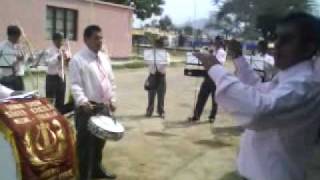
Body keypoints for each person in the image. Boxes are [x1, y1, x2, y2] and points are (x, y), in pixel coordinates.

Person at [194, 12, 320, 180]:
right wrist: (238, 58)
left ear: (309, 47)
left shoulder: (305, 84)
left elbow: (258, 110)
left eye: (287, 40)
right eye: (277, 38)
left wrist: (215, 69)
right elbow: (258, 89)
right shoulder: (291, 77)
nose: (277, 46)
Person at [69, 25, 116, 179]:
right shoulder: (78, 59)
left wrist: (112, 99)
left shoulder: (104, 57)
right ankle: (83, 175)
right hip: (87, 109)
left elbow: (110, 80)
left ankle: (97, 170)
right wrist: (82, 101)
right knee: (85, 145)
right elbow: (75, 84)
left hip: (103, 107)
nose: (100, 41)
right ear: (86, 39)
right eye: (96, 38)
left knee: (99, 143)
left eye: (101, 38)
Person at [188, 36, 227, 123]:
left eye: (216, 42)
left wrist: (208, 55)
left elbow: (218, 63)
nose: (214, 43)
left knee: (214, 99)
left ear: (220, 43)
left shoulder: (222, 52)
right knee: (201, 96)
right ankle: (196, 115)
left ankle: (212, 117)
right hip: (208, 76)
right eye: (214, 42)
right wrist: (201, 55)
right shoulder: (213, 51)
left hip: (216, 77)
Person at [44, 32, 72, 113]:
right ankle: (49, 117)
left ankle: (59, 117)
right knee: (50, 100)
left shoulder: (64, 50)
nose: (62, 42)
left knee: (61, 100)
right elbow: (47, 62)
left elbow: (68, 66)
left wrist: (68, 60)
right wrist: (58, 58)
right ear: (54, 40)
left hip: (62, 77)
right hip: (51, 78)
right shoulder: (49, 51)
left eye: (62, 40)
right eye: (60, 40)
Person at [145, 38, 170, 118]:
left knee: (161, 95)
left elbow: (167, 63)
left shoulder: (166, 54)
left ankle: (161, 111)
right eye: (156, 45)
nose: (157, 46)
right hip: (152, 75)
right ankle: (149, 110)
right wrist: (154, 58)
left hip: (161, 76)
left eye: (160, 45)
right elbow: (147, 62)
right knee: (151, 94)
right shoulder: (150, 54)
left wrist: (159, 60)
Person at [0, 25, 28, 91]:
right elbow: (5, 61)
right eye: (17, 37)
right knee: (8, 99)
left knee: (21, 98)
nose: (18, 39)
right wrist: (16, 60)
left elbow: (24, 62)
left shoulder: (20, 46)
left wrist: (23, 58)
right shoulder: (2, 47)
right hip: (6, 77)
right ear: (11, 36)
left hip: (19, 77)